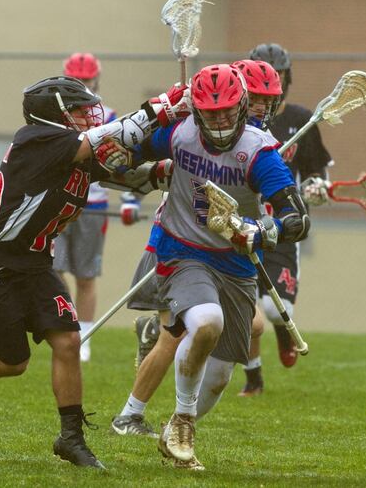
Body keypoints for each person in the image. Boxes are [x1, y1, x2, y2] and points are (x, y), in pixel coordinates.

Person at [0, 75, 188, 468]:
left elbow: (133, 173)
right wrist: (163, 106)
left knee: (69, 342)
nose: (85, 117)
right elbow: (117, 133)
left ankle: (70, 438)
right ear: (54, 115)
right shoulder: (36, 139)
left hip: (36, 263)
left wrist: (177, 166)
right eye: (76, 111)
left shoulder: (75, 153)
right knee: (14, 362)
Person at [117, 63, 310, 469]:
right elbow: (123, 156)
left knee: (220, 375)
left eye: (227, 111)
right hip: (182, 252)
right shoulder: (180, 133)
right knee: (205, 321)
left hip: (235, 265)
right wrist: (141, 173)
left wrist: (261, 230)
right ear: (197, 110)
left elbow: (297, 218)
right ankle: (183, 419)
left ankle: (175, 430)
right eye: (210, 112)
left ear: (240, 107)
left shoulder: (258, 150)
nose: (219, 120)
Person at [237, 43, 333, 397]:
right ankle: (253, 377)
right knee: (250, 306)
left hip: (281, 227)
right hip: (243, 221)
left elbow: (314, 172)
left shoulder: (299, 118)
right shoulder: (232, 120)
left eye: (276, 75)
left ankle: (280, 330)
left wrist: (316, 188)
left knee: (274, 310)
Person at [53, 53, 118, 363]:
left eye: (87, 80)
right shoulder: (55, 115)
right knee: (52, 266)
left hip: (93, 206)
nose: (82, 85)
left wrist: (130, 201)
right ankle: (67, 327)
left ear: (97, 80)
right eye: (77, 80)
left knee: (86, 275)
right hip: (60, 202)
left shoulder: (110, 117)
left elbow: (123, 163)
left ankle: (86, 337)